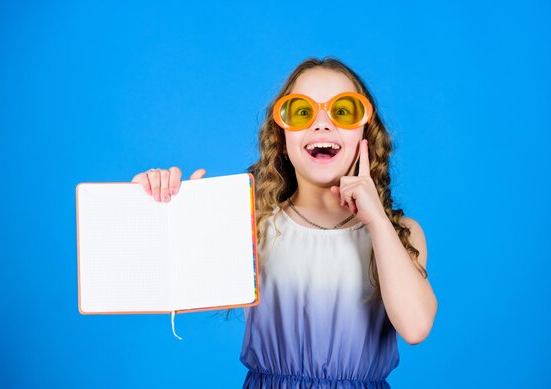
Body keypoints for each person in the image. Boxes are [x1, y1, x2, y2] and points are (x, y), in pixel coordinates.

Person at [131, 57, 437, 388]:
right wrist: (155, 209)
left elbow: (416, 327)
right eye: (302, 111)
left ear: (365, 132)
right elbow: (162, 285)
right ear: (283, 137)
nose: (322, 124)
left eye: (343, 111)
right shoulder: (254, 226)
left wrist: (376, 219)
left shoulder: (399, 234)